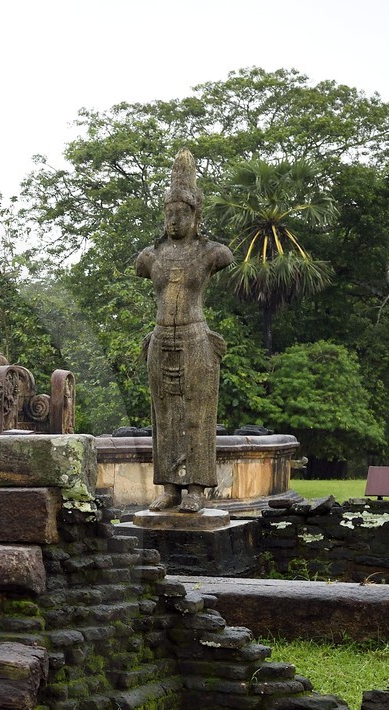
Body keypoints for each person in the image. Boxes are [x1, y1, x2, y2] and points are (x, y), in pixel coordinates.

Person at [135, 151, 234, 513]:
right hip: (161, 338)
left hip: (196, 338)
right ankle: (170, 487)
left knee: (197, 415)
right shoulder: (151, 257)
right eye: (169, 213)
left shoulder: (211, 254)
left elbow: (224, 257)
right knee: (164, 416)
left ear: (196, 214)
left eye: (182, 212)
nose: (175, 220)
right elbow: (140, 267)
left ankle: (195, 487)